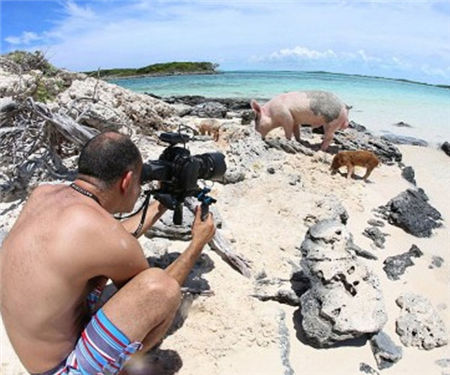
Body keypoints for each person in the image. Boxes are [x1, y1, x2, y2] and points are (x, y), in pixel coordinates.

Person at [0, 131, 216, 375]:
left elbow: (106, 240)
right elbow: (154, 295)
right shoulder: (108, 238)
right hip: (62, 370)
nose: (138, 188)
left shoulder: (43, 194)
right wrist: (197, 243)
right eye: (139, 181)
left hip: (32, 355)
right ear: (126, 181)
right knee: (160, 288)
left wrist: (161, 203)